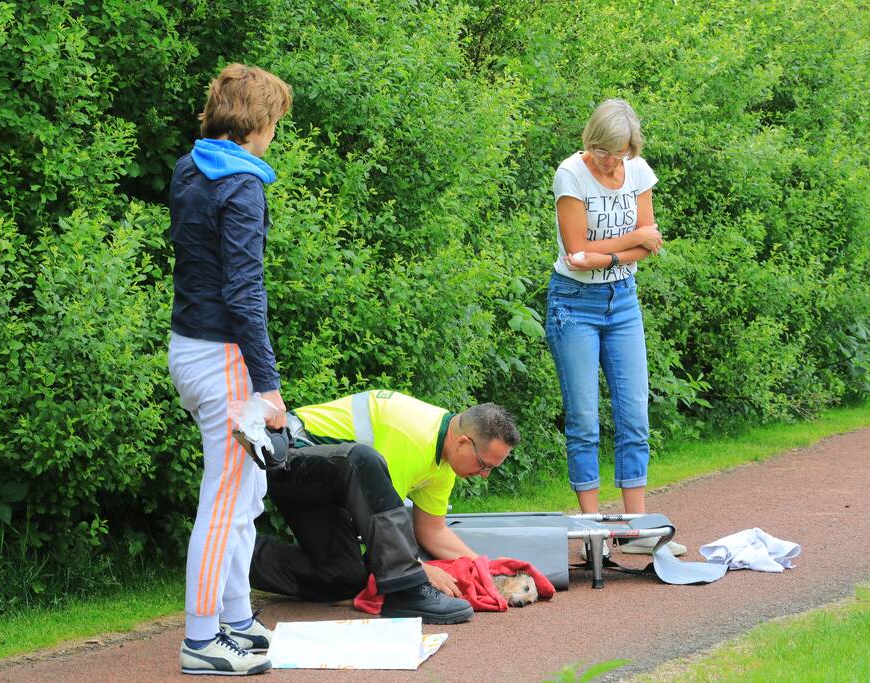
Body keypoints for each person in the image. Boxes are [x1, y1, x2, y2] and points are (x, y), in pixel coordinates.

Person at [167, 63, 292, 676]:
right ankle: (200, 639)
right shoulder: (242, 186)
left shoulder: (190, 167)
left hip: (188, 347)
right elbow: (246, 294)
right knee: (223, 501)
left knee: (246, 491)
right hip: (223, 360)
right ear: (259, 123)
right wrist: (267, 385)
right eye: (275, 124)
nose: (275, 135)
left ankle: (237, 619)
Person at [545, 98, 686, 557]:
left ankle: (637, 531)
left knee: (634, 415)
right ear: (591, 141)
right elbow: (575, 249)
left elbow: (652, 246)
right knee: (584, 420)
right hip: (574, 303)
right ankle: (592, 534)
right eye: (603, 151)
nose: (611, 161)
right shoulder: (570, 174)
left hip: (623, 301)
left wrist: (606, 257)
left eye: (619, 152)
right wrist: (632, 242)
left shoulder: (639, 170)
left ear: (631, 147)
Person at [249, 390, 521, 624]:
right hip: (287, 457)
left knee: (344, 576)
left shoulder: (444, 463)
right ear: (463, 442)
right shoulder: (414, 435)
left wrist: (486, 568)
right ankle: (407, 592)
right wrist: (419, 570)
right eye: (485, 465)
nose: (484, 474)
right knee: (363, 460)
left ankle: (236, 556)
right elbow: (384, 521)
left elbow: (432, 532)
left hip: (324, 483)